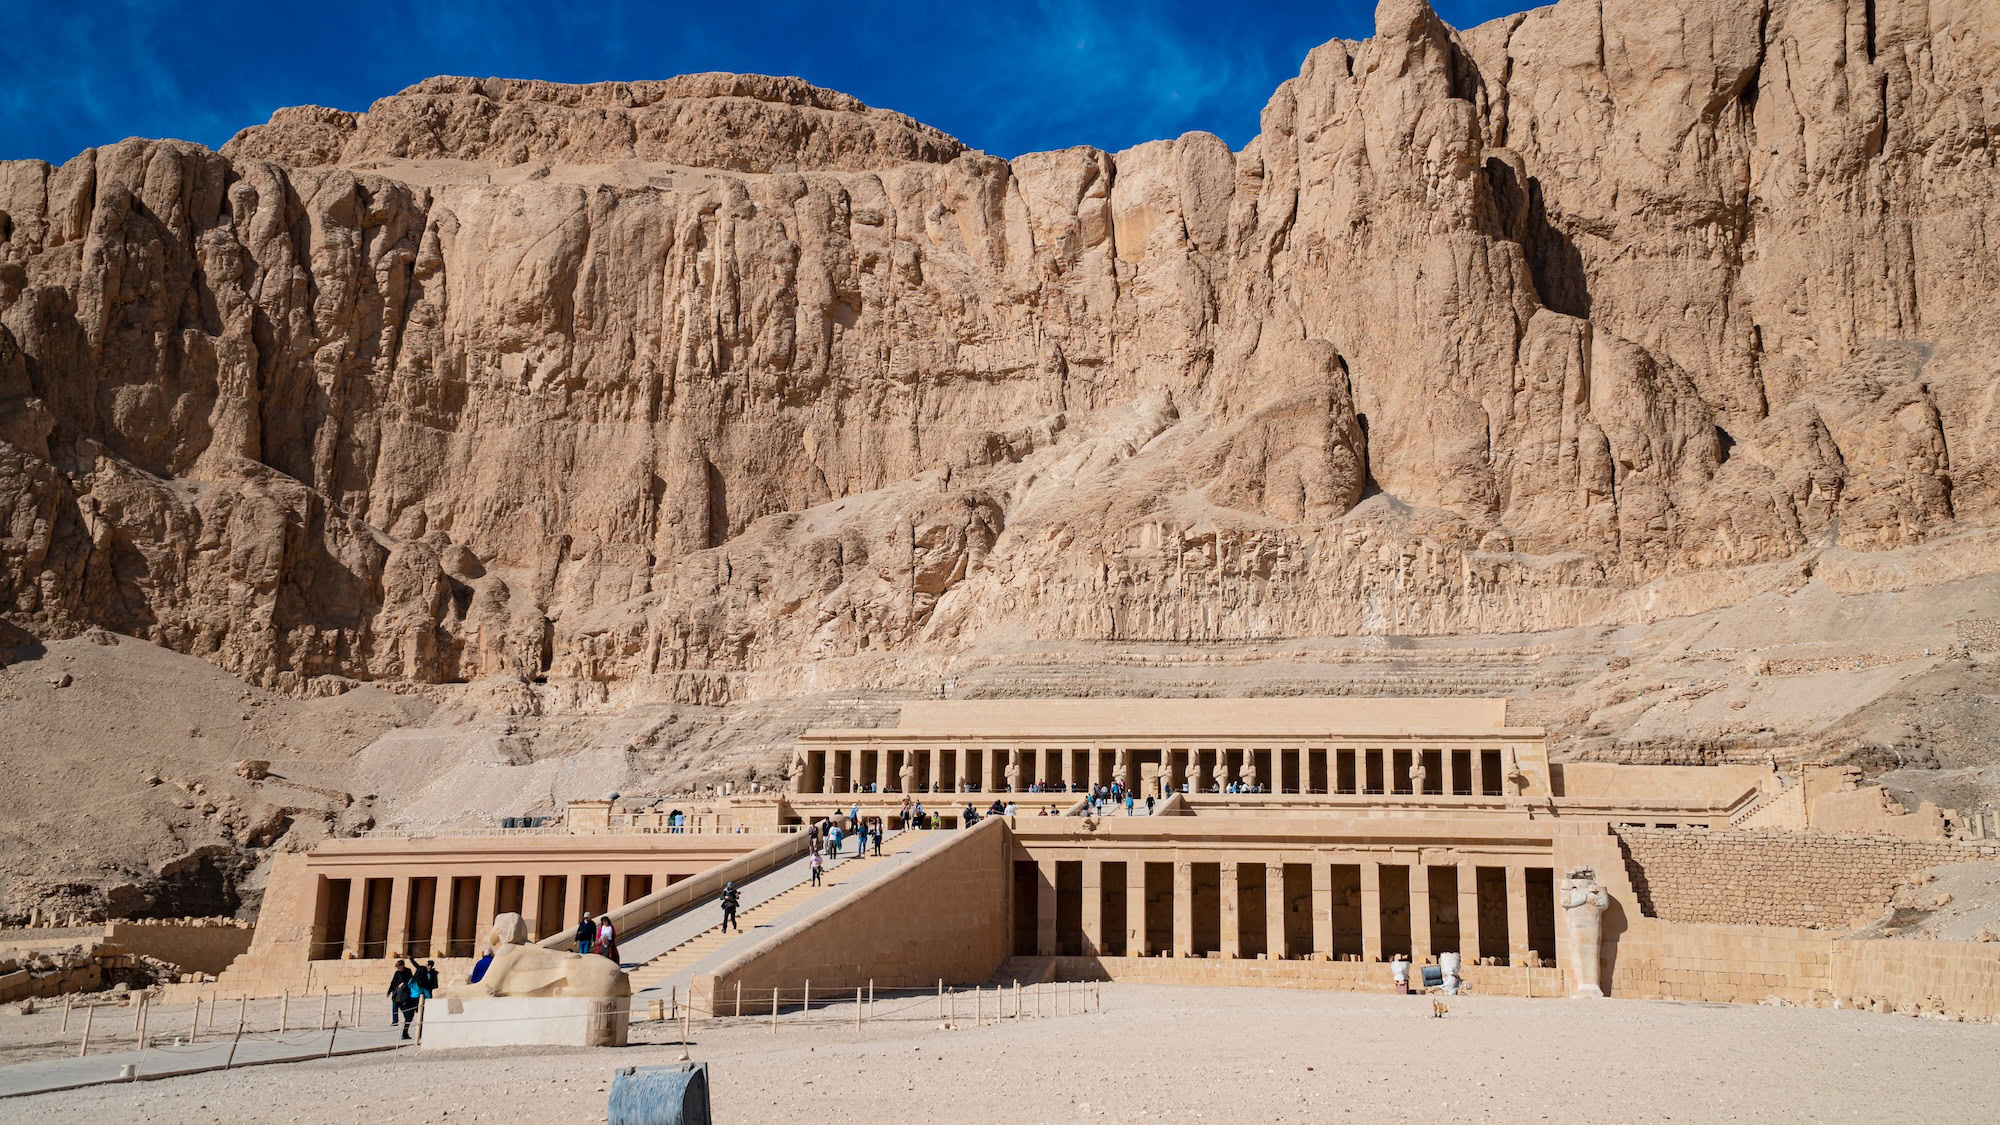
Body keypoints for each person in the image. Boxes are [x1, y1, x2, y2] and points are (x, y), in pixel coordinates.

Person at [387, 959, 414, 1026]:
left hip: (405, 991)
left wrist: (404, 983)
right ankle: (395, 1020)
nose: (398, 968)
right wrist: (389, 991)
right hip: (397, 991)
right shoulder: (397, 973)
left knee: (404, 1005)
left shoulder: (408, 971)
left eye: (399, 967)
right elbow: (393, 982)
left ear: (402, 965)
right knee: (394, 1005)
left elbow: (411, 980)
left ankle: (407, 1018)